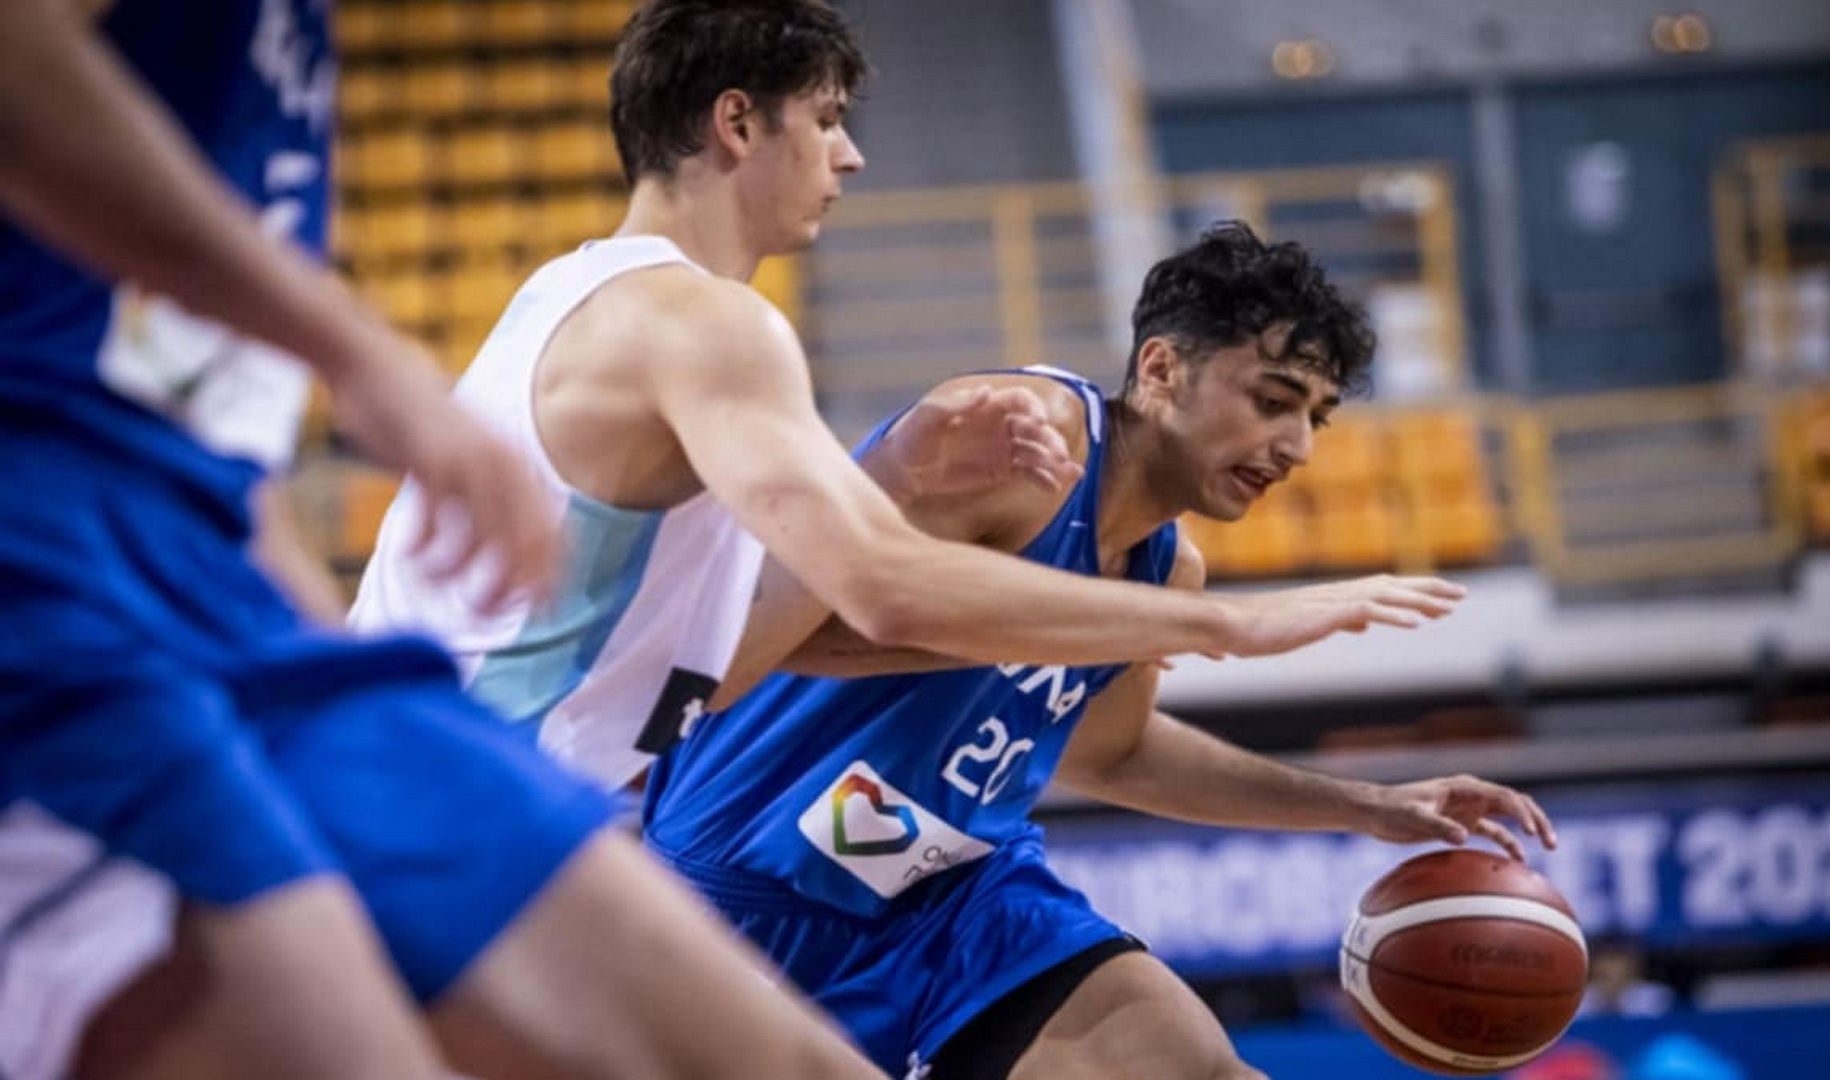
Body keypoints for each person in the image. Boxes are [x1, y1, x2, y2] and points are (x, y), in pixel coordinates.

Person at [0, 2, 891, 1079]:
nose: (850, 154)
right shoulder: (676, 316)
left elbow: (217, 451)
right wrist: (352, 348)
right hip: (52, 590)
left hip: (223, 603)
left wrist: (327, 656)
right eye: (828, 120)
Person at [351, 0, 1465, 801]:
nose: (849, 156)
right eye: (827, 118)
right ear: (738, 123)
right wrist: (1233, 626)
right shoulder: (709, 325)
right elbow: (882, 589)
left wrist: (892, 471)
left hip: (441, 770)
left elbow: (741, 655)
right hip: (454, 790)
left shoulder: (579, 291)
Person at [642, 222, 1562, 1080]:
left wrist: (1367, 806)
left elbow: (1113, 753)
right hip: (747, 885)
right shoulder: (1021, 443)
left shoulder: (1166, 568)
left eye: (1314, 418)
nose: (1295, 448)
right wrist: (1183, 627)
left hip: (958, 900)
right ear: (1161, 370)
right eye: (1272, 401)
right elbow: (780, 640)